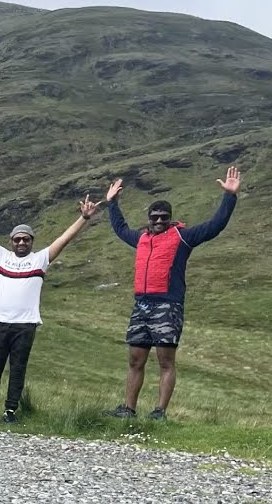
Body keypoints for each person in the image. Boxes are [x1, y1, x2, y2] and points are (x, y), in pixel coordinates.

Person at [101, 168, 241, 421]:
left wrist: (229, 197)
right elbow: (120, 229)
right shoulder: (141, 238)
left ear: (170, 218)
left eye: (163, 218)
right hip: (141, 305)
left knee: (165, 361)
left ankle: (159, 412)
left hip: (168, 306)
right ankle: (128, 410)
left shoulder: (183, 237)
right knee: (135, 360)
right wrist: (112, 203)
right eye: (154, 217)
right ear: (148, 218)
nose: (158, 222)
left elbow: (215, 226)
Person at [0, 189, 99, 424]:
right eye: (17, 239)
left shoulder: (40, 259)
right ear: (12, 242)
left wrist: (84, 218)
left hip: (25, 325)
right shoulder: (1, 256)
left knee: (18, 369)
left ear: (32, 242)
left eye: (26, 239)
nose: (22, 242)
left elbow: (64, 239)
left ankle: (10, 411)